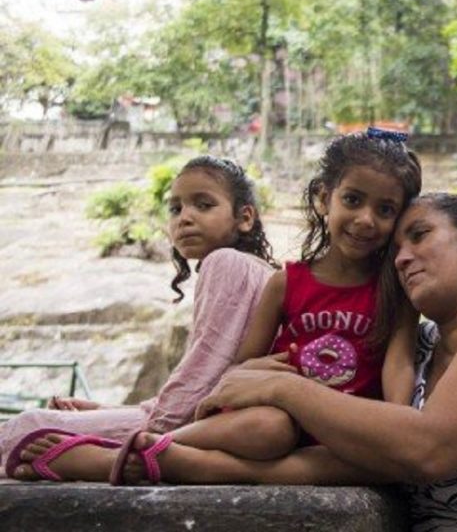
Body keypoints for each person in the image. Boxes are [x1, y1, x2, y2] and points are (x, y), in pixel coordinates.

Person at [75, 193, 457, 529]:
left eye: (419, 235)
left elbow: (429, 447)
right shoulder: (412, 361)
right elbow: (355, 456)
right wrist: (185, 459)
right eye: (395, 249)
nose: (401, 257)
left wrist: (286, 391)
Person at [7, 132, 424, 483]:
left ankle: (138, 457)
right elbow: (239, 370)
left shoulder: (394, 295)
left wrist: (389, 422)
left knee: (365, 458)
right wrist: (264, 378)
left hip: (342, 430)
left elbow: (398, 379)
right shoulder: (286, 281)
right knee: (271, 428)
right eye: (353, 200)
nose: (366, 219)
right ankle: (153, 452)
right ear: (323, 199)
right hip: (273, 422)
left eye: (385, 209)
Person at [3, 155, 276, 480]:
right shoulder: (257, 270)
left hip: (207, 426)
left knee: (26, 428)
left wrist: (146, 434)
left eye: (203, 205)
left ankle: (111, 457)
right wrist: (108, 412)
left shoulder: (226, 263)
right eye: (176, 209)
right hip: (221, 421)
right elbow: (206, 380)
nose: (185, 217)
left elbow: (203, 378)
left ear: (245, 218)